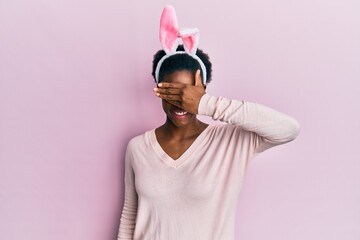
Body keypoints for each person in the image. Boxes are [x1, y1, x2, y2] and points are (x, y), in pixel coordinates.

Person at [117, 5, 300, 240]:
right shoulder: (137, 148)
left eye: (188, 93)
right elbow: (130, 215)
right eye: (171, 92)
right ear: (159, 90)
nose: (180, 102)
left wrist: (206, 104)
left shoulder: (230, 143)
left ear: (203, 90)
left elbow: (289, 129)